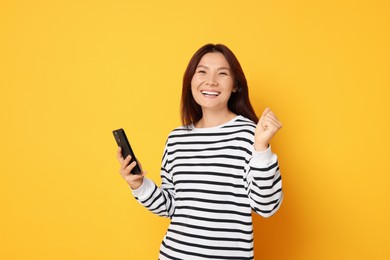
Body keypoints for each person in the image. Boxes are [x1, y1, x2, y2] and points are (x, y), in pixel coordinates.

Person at [117, 43, 283, 260]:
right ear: (191, 81)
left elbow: (267, 207)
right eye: (202, 72)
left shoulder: (250, 134)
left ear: (235, 85)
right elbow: (171, 205)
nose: (211, 81)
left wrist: (262, 149)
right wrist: (138, 185)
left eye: (222, 74)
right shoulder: (177, 138)